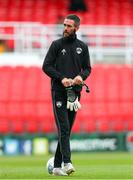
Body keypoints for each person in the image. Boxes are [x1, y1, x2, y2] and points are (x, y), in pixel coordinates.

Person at [42, 14, 91, 176]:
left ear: (77, 28)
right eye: (64, 25)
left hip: (75, 94)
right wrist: (61, 78)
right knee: (63, 128)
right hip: (59, 93)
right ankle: (67, 162)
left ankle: (56, 167)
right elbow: (46, 66)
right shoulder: (56, 45)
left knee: (67, 131)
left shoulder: (82, 47)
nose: (65, 28)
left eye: (69, 26)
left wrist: (80, 77)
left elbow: (87, 68)